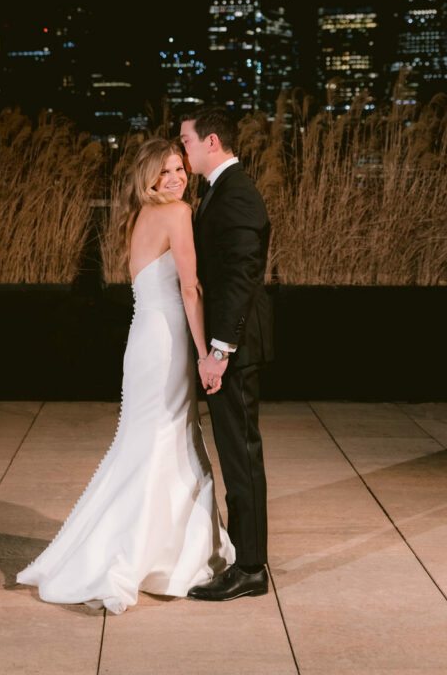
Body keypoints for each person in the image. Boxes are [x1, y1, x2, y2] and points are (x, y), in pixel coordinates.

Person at [16, 138, 234, 613]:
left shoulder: (138, 216)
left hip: (143, 337)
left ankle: (150, 548)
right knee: (162, 440)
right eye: (166, 172)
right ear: (150, 178)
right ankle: (144, 553)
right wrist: (204, 353)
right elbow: (191, 289)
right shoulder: (176, 213)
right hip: (169, 339)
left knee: (150, 441)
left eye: (181, 169)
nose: (177, 178)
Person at [179, 107, 273, 601]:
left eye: (186, 141)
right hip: (229, 343)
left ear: (211, 141)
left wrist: (219, 352)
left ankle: (251, 568)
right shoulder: (222, 189)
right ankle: (246, 558)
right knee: (238, 450)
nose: (182, 149)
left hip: (233, 347)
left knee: (241, 453)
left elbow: (241, 275)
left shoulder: (235, 193)